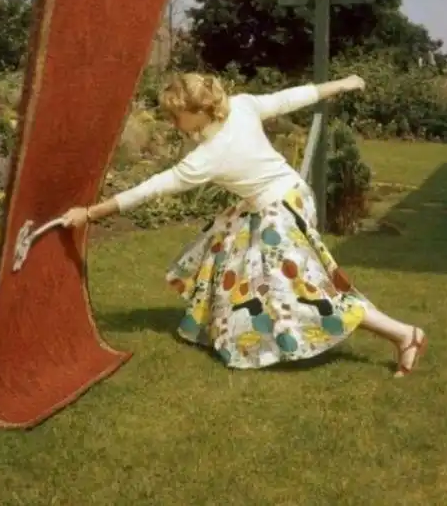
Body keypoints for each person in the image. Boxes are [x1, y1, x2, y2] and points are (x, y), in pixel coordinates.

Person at [62, 73, 427, 376]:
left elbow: (151, 188)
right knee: (231, 265)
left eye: (176, 116)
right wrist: (342, 83)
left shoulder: (207, 158)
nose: (173, 123)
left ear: (197, 110)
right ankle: (233, 334)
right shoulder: (242, 106)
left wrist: (90, 213)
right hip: (287, 197)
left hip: (281, 209)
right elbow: (290, 98)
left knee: (308, 292)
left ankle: (404, 334)